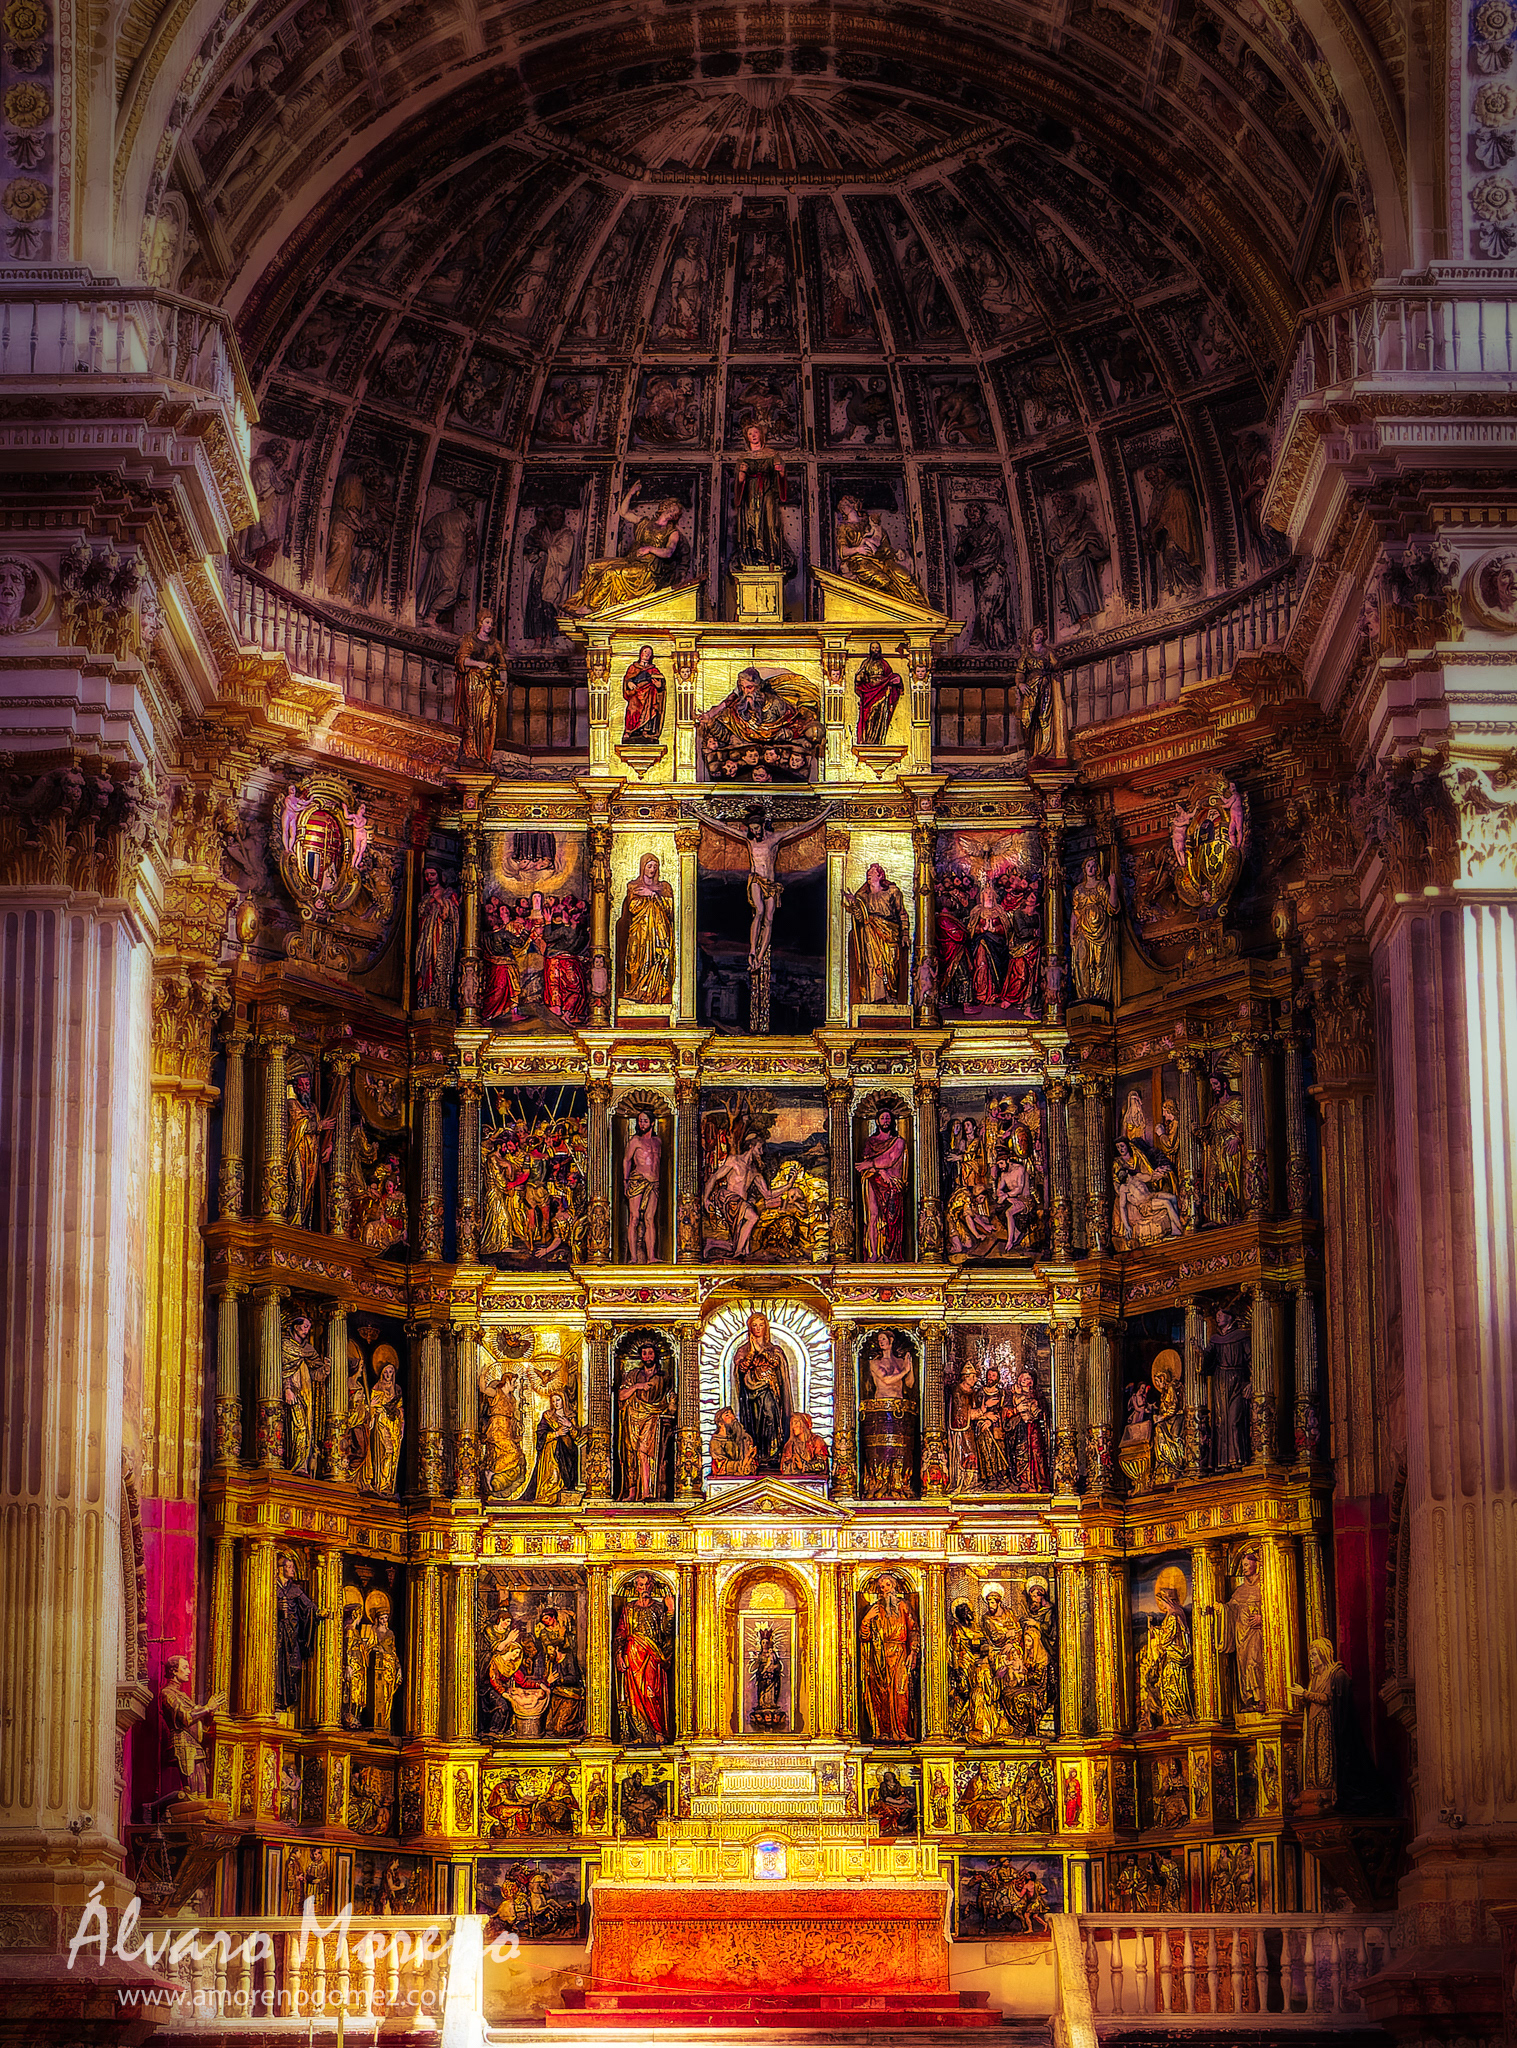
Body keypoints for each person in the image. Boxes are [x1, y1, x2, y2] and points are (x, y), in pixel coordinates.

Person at [559, 490, 685, 614]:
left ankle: (593, 607)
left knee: (610, 573)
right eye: (672, 509)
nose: (672, 513)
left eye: (675, 512)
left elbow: (669, 552)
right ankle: (581, 600)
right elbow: (623, 512)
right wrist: (631, 492)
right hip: (631, 560)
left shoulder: (672, 532)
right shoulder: (645, 522)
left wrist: (650, 549)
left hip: (648, 569)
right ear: (664, 507)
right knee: (592, 566)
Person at [614, 1572, 674, 1745]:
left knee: (652, 1693)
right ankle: (638, 1733)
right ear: (636, 1587)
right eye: (640, 1585)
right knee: (634, 1695)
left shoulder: (658, 1607)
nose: (644, 1588)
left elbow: (667, 1632)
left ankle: (658, 1730)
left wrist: (670, 1610)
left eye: (647, 1585)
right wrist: (619, 1655)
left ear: (652, 1586)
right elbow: (620, 1633)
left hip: (653, 1655)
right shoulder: (629, 1608)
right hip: (633, 1655)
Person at [834, 494, 927, 605]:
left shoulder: (869, 523)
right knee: (882, 581)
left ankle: (920, 607)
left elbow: (884, 543)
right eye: (841, 506)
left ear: (854, 504)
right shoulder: (844, 527)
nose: (843, 507)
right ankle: (896, 608)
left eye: (845, 504)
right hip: (859, 561)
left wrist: (895, 553)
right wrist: (858, 549)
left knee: (904, 576)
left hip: (882, 559)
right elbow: (843, 550)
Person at [859, 1573, 919, 1742]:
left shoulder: (903, 1607)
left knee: (901, 1692)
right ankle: (884, 1732)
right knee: (881, 1694)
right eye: (882, 1587)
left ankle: (901, 1731)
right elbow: (865, 1637)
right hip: (879, 1656)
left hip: (900, 1653)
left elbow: (913, 1631)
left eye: (888, 1585)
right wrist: (866, 1620)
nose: (885, 1590)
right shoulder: (876, 1609)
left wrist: (912, 1652)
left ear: (895, 1587)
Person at [159, 1657, 226, 1799]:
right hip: (182, 1742)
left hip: (194, 1743)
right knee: (192, 1793)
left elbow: (201, 1723)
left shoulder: (183, 1695)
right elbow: (185, 1717)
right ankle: (161, 1809)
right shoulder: (167, 1693)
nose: (189, 1671)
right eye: (185, 1668)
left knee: (201, 1792)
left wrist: (211, 1711)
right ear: (174, 1671)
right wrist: (207, 1708)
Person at [733, 1311, 793, 1469]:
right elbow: (741, 1369)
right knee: (755, 1423)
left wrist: (768, 1357)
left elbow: (778, 1366)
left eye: (761, 1325)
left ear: (766, 1327)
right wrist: (751, 1353)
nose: (758, 1328)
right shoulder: (744, 1350)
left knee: (771, 1418)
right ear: (750, 1328)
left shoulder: (774, 1349)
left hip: (770, 1391)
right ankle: (758, 1454)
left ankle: (773, 1453)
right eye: (754, 1325)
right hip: (752, 1394)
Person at [844, 863, 909, 1004]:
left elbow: (902, 913)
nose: (869, 874)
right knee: (872, 965)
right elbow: (860, 918)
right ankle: (874, 998)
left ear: (880, 875)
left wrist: (904, 934)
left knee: (890, 964)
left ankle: (891, 993)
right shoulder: (862, 896)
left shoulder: (892, 891)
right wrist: (854, 903)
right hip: (869, 932)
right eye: (868, 872)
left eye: (872, 872)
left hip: (890, 932)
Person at [617, 1340, 673, 1501]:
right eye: (644, 1353)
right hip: (632, 1417)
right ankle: (632, 1492)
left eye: (650, 1353)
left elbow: (669, 1399)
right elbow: (621, 1395)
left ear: (655, 1355)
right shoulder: (633, 1374)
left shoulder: (663, 1377)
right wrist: (637, 1387)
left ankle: (648, 1491)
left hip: (652, 1417)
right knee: (630, 1454)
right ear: (641, 1356)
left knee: (644, 1453)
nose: (647, 1356)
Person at [953, 501, 1015, 646]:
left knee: (987, 610)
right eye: (969, 512)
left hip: (994, 575)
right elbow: (959, 560)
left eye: (976, 511)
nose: (972, 514)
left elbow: (993, 555)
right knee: (986, 612)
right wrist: (961, 542)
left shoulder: (992, 532)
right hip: (980, 578)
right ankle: (991, 644)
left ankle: (987, 645)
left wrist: (972, 565)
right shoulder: (967, 534)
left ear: (982, 513)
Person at [855, 1104, 909, 1261]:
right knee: (873, 1216)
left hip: (893, 1185)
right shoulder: (870, 1142)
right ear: (877, 1121)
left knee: (891, 1220)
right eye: (882, 1118)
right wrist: (880, 1171)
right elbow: (868, 1161)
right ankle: (873, 1254)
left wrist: (873, 1165)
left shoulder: (898, 1141)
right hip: (873, 1180)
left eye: (888, 1118)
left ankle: (889, 1255)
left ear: (892, 1121)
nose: (885, 1121)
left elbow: (890, 1159)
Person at [732, 421, 788, 570]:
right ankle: (753, 556)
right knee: (752, 523)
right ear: (747, 438)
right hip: (750, 493)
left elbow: (781, 477)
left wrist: (780, 470)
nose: (753, 435)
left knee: (769, 522)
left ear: (761, 435)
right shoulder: (743, 457)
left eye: (755, 432)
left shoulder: (772, 454)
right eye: (750, 433)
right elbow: (739, 482)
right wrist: (741, 475)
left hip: (767, 491)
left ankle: (771, 557)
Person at [620, 856, 674, 1005]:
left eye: (655, 866)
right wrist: (643, 897)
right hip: (640, 931)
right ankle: (636, 991)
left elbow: (670, 909)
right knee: (636, 959)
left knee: (658, 960)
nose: (652, 870)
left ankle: (654, 994)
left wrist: (653, 895)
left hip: (659, 931)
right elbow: (632, 908)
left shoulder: (664, 887)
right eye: (649, 866)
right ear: (642, 867)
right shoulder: (633, 886)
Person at [454, 607, 505, 764]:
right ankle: (470, 751)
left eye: (491, 623)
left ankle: (484, 754)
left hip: (488, 684)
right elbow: (462, 660)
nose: (489, 625)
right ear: (480, 623)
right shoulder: (470, 640)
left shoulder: (495, 645)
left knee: (486, 718)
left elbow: (503, 667)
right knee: (471, 717)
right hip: (472, 682)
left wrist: (503, 684)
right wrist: (480, 664)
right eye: (487, 622)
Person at [1204, 1307, 1252, 1470]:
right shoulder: (1215, 1339)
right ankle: (1222, 1461)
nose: (1217, 1317)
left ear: (1230, 1317)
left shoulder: (1242, 1336)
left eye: (1221, 1314)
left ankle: (1237, 1458)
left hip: (1237, 1379)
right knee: (1220, 1421)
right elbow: (1207, 1362)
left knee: (1234, 1421)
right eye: (1216, 1314)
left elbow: (1251, 1359)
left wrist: (1252, 1382)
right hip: (1220, 1381)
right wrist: (1199, 1353)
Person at [1070, 852, 1119, 1004]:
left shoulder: (1103, 886)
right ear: (1084, 869)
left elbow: (1112, 906)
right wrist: (1072, 933)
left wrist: (1113, 886)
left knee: (1100, 962)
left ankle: (1099, 996)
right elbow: (1075, 913)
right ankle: (1084, 995)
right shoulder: (1078, 890)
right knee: (1081, 962)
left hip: (1102, 931)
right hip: (1083, 930)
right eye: (1088, 866)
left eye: (1094, 866)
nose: (1091, 868)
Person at [275, 1550, 320, 1711]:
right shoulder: (271, 1586)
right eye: (290, 1567)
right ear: (281, 1568)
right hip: (274, 1635)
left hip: (291, 1635)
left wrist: (318, 1612)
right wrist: (276, 1608)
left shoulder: (295, 1589)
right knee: (276, 1665)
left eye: (293, 1567)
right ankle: (276, 1698)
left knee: (294, 1667)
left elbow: (308, 1606)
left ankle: (288, 1698)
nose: (293, 1570)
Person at [622, 1109, 663, 1263]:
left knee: (650, 1218)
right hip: (638, 1180)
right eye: (640, 1121)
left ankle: (651, 1257)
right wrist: (625, 1181)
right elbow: (626, 1160)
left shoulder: (658, 1141)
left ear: (652, 1123)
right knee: (634, 1218)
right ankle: (633, 1257)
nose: (642, 1124)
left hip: (654, 1183)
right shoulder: (635, 1141)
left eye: (645, 1121)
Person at [852, 641, 903, 747]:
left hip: (882, 691)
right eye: (873, 648)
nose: (875, 650)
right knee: (868, 715)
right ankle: (868, 739)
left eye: (877, 648)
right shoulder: (866, 663)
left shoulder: (884, 664)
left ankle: (876, 740)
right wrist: (860, 677)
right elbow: (859, 677)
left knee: (878, 713)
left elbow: (890, 676)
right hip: (869, 692)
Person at [621, 644, 667, 743]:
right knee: (632, 710)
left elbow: (661, 683)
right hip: (636, 693)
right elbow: (627, 679)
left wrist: (659, 685)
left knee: (650, 710)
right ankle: (629, 731)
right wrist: (629, 683)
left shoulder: (653, 669)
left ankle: (646, 731)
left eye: (649, 653)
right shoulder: (633, 668)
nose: (647, 654)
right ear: (641, 653)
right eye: (645, 652)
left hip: (649, 694)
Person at [709, 1405, 757, 1477]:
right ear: (720, 1423)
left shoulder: (745, 1438)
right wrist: (744, 1461)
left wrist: (749, 1459)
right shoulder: (716, 1442)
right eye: (727, 1415)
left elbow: (751, 1466)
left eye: (732, 1414)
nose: (732, 1417)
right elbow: (721, 1466)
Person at [779, 1412, 830, 1477]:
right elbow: (783, 1468)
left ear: (804, 1424)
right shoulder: (789, 1445)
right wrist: (793, 1463)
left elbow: (822, 1465)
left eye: (796, 1422)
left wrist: (803, 1465)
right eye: (792, 1423)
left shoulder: (817, 1442)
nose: (793, 1426)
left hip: (814, 1482)